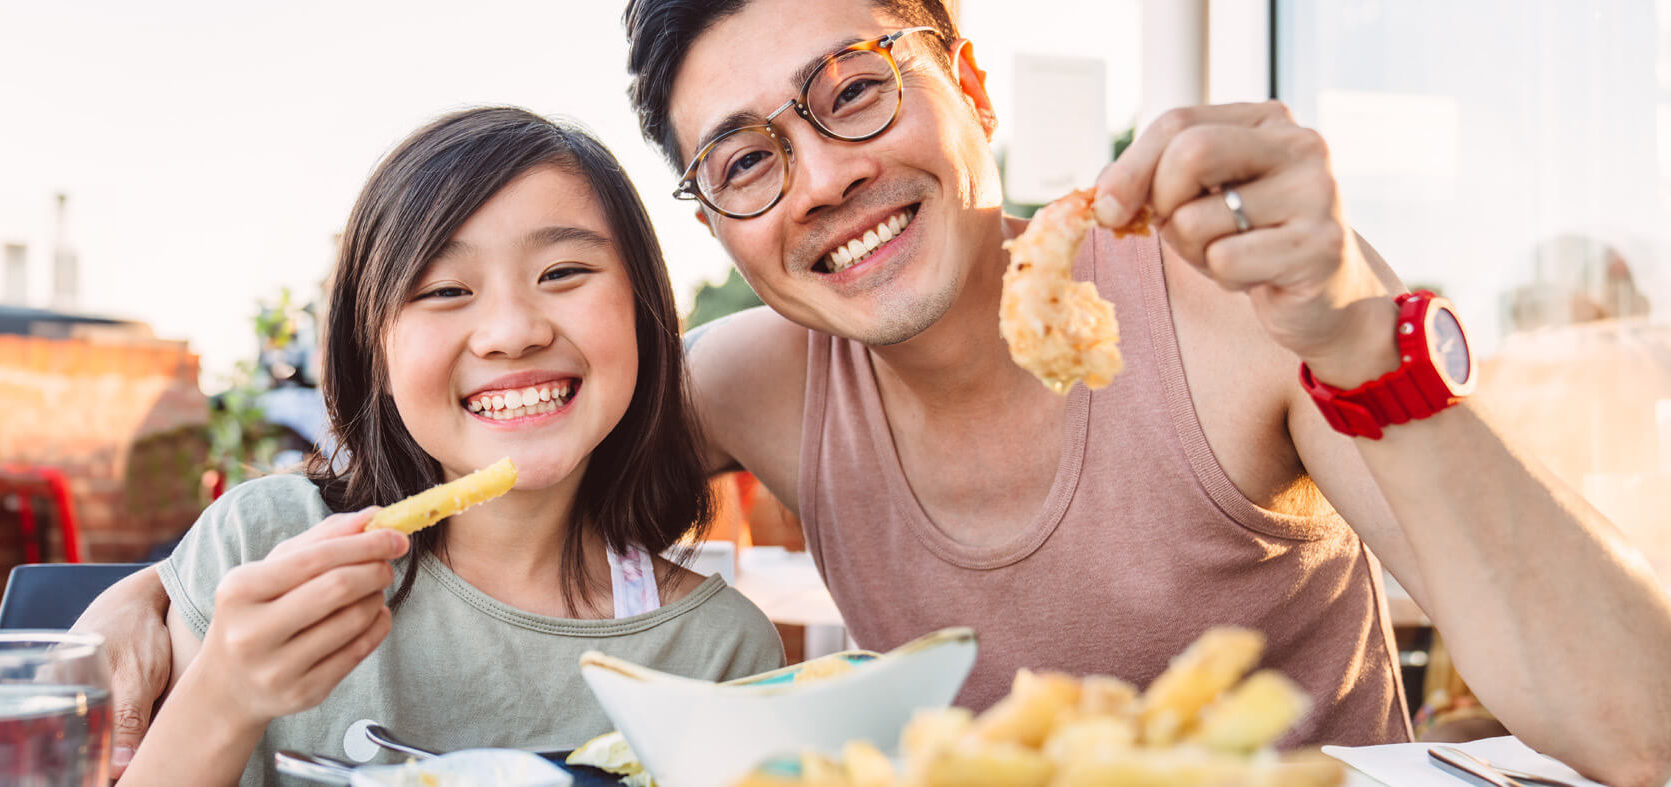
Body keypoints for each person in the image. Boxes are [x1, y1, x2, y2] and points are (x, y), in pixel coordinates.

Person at [80, 3, 1671, 784]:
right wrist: (127, 603)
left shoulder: (1227, 305)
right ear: (708, 223)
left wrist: (1353, 333)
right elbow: (491, 445)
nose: (830, 177)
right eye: (751, 158)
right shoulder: (751, 373)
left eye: (855, 89)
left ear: (965, 83)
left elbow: (1641, 726)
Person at [114, 107, 783, 786]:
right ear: (374, 349)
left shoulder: (718, 653)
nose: (511, 332)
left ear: (644, 310)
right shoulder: (262, 546)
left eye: (562, 273)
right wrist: (226, 694)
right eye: (444, 290)